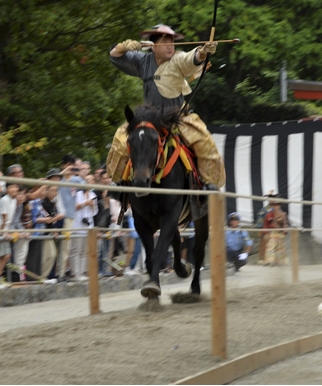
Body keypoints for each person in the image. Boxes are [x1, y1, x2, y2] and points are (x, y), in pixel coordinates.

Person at [107, 24, 226, 189]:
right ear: (154, 47)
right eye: (165, 42)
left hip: (177, 119)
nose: (170, 46)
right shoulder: (143, 61)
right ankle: (120, 182)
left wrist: (203, 52)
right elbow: (114, 56)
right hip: (149, 120)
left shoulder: (177, 59)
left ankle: (208, 184)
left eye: (172, 42)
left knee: (204, 141)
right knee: (121, 139)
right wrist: (122, 47)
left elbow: (191, 58)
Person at [56, 155, 84, 280]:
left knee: (66, 247)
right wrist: (63, 173)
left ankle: (61, 273)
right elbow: (52, 184)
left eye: (71, 165)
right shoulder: (59, 180)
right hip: (58, 215)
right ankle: (59, 273)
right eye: (66, 165)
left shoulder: (76, 180)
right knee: (61, 247)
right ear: (63, 166)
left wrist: (79, 174)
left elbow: (88, 187)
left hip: (70, 217)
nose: (68, 168)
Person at [71, 176, 97, 281]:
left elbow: (95, 212)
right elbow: (72, 207)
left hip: (88, 226)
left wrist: (92, 206)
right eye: (88, 181)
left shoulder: (93, 194)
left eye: (92, 180)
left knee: (85, 251)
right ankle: (75, 274)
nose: (90, 182)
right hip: (77, 225)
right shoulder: (78, 194)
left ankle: (81, 272)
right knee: (76, 250)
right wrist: (84, 204)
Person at [263, 195, 288, 266]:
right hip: (272, 233)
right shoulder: (268, 214)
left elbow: (285, 224)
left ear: (279, 206)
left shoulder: (283, 214)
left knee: (280, 248)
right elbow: (265, 224)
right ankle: (270, 261)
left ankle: (280, 262)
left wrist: (284, 232)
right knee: (271, 246)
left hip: (280, 233)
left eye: (276, 205)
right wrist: (265, 233)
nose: (275, 206)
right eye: (273, 205)